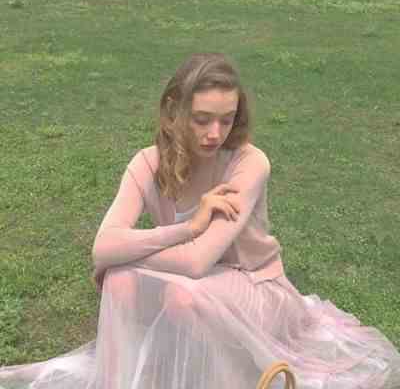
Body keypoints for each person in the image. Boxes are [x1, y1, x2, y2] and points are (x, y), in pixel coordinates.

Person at [0, 52, 399, 389]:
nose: (215, 133)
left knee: (177, 293)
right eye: (202, 119)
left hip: (254, 285)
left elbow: (195, 261)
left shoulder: (248, 163)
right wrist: (187, 229)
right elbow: (102, 247)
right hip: (184, 284)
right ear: (173, 110)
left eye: (226, 119)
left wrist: (126, 252)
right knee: (119, 282)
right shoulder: (147, 163)